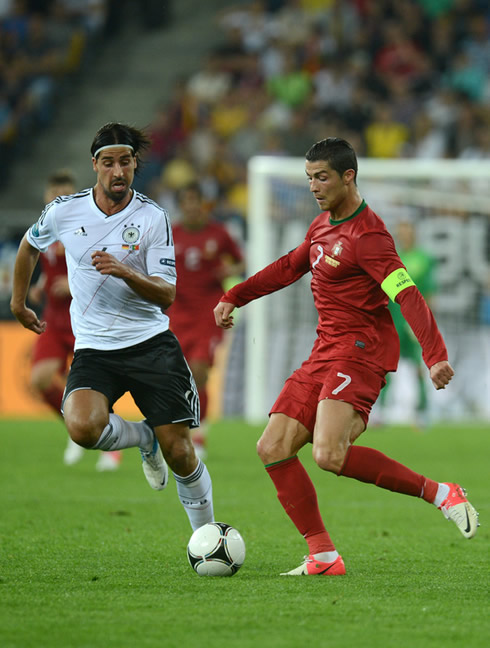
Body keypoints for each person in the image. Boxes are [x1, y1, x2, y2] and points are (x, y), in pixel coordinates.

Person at [214, 137, 479, 576]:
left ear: (348, 176)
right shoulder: (321, 226)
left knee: (328, 455)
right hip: (324, 351)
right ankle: (323, 555)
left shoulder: (369, 237)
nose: (314, 186)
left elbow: (406, 295)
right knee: (272, 447)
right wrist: (235, 296)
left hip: (360, 353)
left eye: (322, 177)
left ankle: (441, 493)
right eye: (309, 178)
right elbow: (287, 267)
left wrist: (435, 355)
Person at [11, 122, 214, 532]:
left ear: (135, 165)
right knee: (82, 426)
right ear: (95, 166)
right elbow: (29, 246)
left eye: (125, 162)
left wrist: (125, 272)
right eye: (108, 163)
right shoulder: (64, 210)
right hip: (95, 349)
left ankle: (206, 534)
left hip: (150, 344)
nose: (117, 171)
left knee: (179, 451)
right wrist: (18, 300)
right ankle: (143, 439)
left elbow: (165, 294)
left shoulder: (154, 217)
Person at [28, 169, 122, 471]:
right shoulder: (45, 230)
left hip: (84, 319)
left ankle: (111, 444)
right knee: (40, 380)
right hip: (53, 321)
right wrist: (41, 286)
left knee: (97, 388)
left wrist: (71, 285)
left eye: (64, 195)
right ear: (45, 197)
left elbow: (108, 264)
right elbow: (50, 264)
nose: (58, 200)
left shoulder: (87, 226)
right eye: (53, 195)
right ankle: (74, 424)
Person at [170, 182, 244, 458]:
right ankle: (182, 430)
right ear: (180, 205)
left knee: (199, 371)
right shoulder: (171, 234)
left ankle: (198, 434)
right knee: (180, 376)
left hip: (209, 313)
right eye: (185, 200)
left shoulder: (219, 233)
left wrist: (229, 269)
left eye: (195, 200)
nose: (190, 206)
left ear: (203, 203)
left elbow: (240, 263)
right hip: (177, 313)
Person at [378, 220, 438, 427]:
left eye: (408, 230)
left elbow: (429, 292)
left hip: (414, 322)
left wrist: (427, 322)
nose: (404, 235)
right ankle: (382, 410)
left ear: (414, 233)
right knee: (385, 366)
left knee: (419, 367)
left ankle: (422, 411)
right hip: (393, 321)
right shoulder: (393, 258)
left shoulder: (424, 259)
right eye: (401, 231)